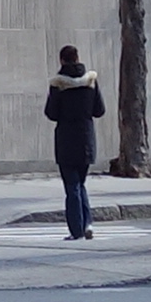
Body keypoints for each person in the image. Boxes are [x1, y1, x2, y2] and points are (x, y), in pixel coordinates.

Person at [43, 47, 106, 240]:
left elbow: (51, 113)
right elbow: (100, 110)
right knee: (81, 183)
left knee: (72, 186)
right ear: (78, 58)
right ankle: (88, 224)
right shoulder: (91, 82)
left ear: (62, 60)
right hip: (86, 138)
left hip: (66, 139)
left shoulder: (58, 84)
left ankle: (76, 230)